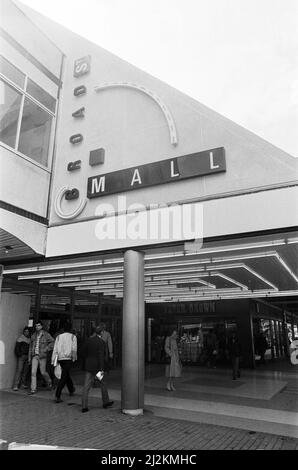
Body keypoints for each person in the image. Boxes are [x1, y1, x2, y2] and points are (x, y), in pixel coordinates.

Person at [81, 325, 113, 413]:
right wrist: (102, 369)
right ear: (101, 332)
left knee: (86, 386)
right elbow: (101, 357)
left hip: (89, 366)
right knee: (103, 383)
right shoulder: (102, 342)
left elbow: (83, 352)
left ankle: (84, 406)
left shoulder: (88, 340)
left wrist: (87, 360)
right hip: (98, 367)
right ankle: (105, 402)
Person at [51, 322, 77, 403]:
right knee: (64, 376)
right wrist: (74, 359)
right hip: (68, 359)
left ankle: (71, 389)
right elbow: (74, 349)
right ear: (70, 329)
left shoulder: (58, 337)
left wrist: (53, 359)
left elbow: (55, 348)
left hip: (60, 358)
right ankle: (57, 395)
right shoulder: (73, 337)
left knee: (66, 374)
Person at [28, 321, 54, 395]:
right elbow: (30, 347)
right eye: (36, 326)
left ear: (41, 326)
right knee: (33, 372)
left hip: (42, 356)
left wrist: (46, 349)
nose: (37, 327)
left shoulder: (46, 335)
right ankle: (33, 389)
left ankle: (49, 382)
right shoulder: (33, 335)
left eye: (39, 326)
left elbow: (53, 342)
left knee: (43, 372)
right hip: (34, 356)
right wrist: (29, 357)